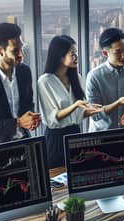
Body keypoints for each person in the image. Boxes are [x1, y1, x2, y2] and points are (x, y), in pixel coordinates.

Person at [38, 35, 101, 168]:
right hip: (56, 138)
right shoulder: (45, 81)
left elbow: (79, 115)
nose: (76, 57)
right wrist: (75, 105)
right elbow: (53, 118)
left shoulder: (77, 77)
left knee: (78, 173)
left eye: (76, 53)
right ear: (60, 56)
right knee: (56, 178)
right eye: (72, 54)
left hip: (75, 134)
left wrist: (90, 111)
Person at [86, 27, 124, 131]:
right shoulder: (94, 77)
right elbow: (94, 115)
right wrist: (117, 103)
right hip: (101, 137)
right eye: (118, 52)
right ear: (105, 53)